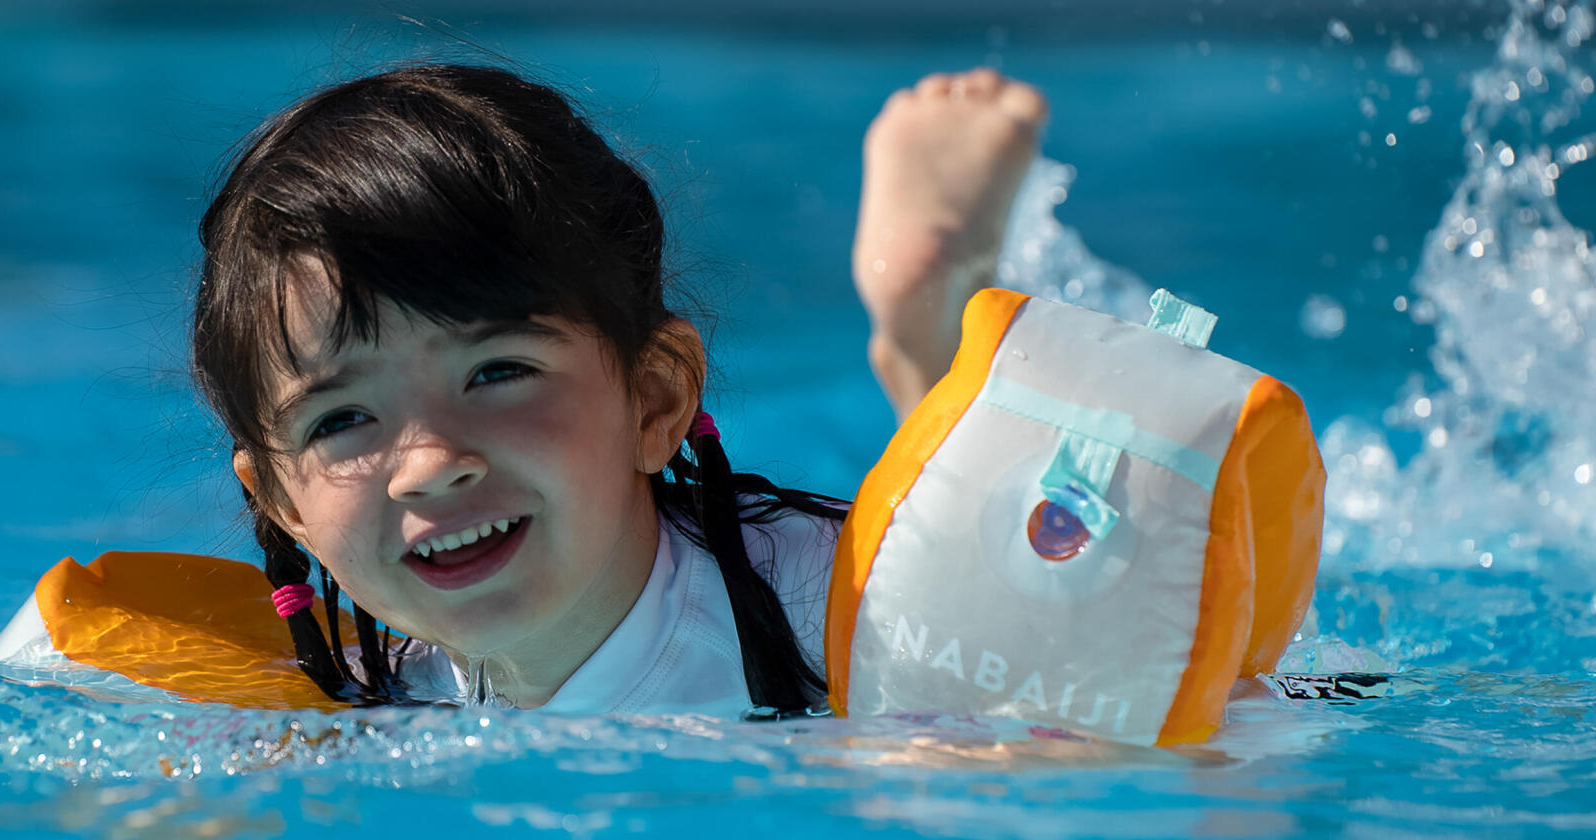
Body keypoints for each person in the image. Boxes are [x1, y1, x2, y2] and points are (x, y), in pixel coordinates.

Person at [100, 63, 1044, 716]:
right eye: (342, 419)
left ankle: (933, 345)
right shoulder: (361, 696)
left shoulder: (824, 619)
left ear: (655, 402)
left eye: (497, 371)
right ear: (278, 503)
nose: (428, 465)